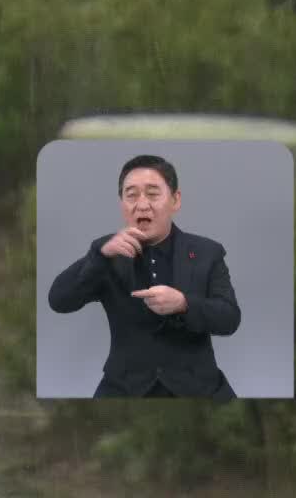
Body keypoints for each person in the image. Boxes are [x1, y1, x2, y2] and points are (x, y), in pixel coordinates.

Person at [47, 153, 241, 401]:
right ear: (121, 203)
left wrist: (184, 304)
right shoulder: (106, 253)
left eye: (152, 194)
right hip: (124, 387)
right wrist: (98, 257)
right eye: (131, 195)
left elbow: (230, 318)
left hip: (197, 387)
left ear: (175, 200)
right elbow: (59, 301)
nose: (142, 204)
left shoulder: (206, 252)